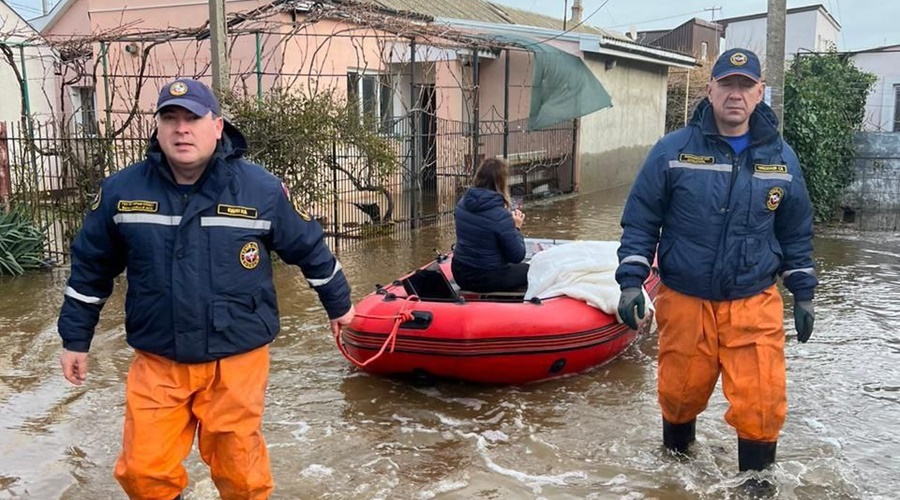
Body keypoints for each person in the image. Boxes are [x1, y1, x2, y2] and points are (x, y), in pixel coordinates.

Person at [57, 78, 355, 500]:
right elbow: (90, 268)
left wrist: (339, 304)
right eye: (171, 118)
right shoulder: (122, 192)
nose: (182, 129)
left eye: (193, 118)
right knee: (142, 472)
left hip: (236, 358)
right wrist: (75, 339)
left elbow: (309, 248)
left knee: (242, 477)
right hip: (158, 357)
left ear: (217, 126)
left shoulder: (261, 190)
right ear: (158, 128)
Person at [615, 48, 817, 476]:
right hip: (685, 300)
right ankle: (675, 476)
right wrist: (631, 281)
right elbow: (641, 220)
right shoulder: (672, 151)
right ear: (710, 90)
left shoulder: (782, 158)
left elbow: (795, 232)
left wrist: (804, 293)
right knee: (679, 395)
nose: (735, 94)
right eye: (727, 84)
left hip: (754, 299)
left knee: (762, 404)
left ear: (760, 93)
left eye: (746, 86)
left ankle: (757, 488)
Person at [451, 157, 528, 293]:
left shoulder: (462, 203)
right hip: (485, 278)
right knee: (530, 270)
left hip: (459, 272)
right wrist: (516, 227)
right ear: (501, 182)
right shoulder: (501, 216)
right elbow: (517, 256)